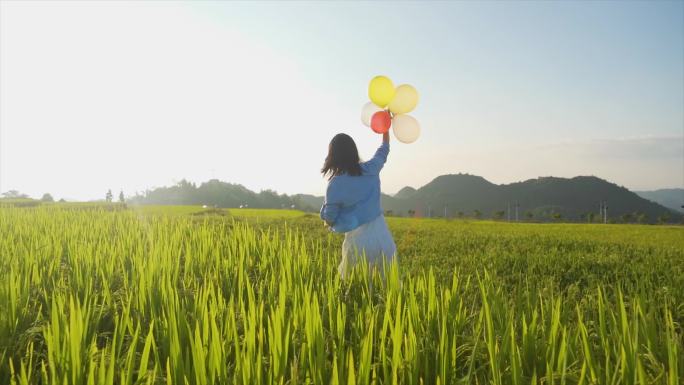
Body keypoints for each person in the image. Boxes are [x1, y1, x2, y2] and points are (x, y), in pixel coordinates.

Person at [320, 131, 397, 278]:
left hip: (358, 245)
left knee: (355, 292)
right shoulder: (371, 168)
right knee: (388, 292)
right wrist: (385, 129)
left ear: (333, 155)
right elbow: (384, 148)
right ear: (354, 152)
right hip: (384, 241)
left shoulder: (335, 184)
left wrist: (327, 220)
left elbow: (330, 218)